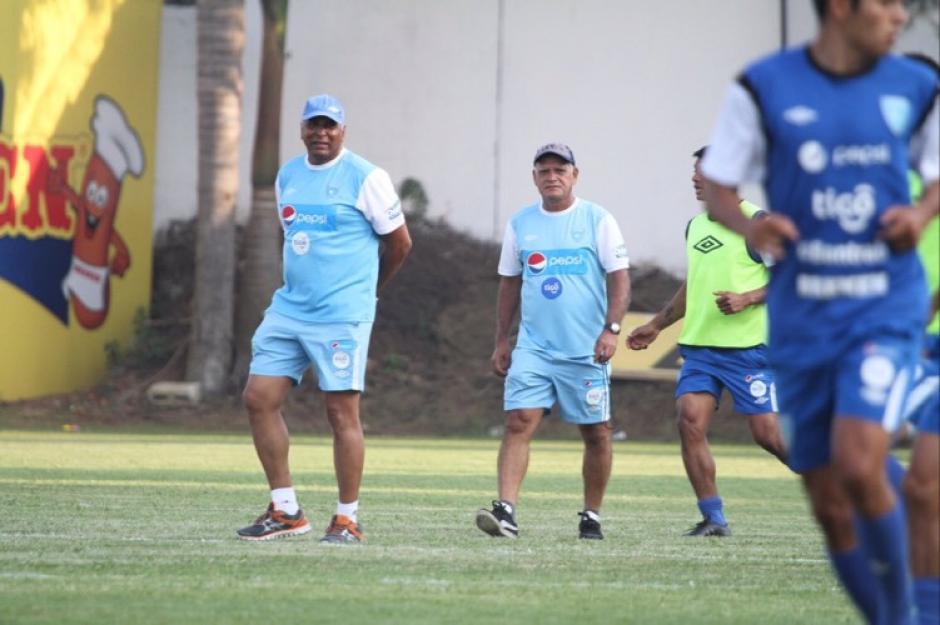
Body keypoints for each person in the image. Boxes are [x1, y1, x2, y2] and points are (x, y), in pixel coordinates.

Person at [700, 0, 938, 622]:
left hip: (883, 307)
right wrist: (751, 228)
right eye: (887, 4)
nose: (899, 17)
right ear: (839, 8)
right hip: (802, 319)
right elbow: (719, 185)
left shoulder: (916, 86)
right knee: (829, 502)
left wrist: (919, 214)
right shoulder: (763, 86)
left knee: (862, 463)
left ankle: (906, 616)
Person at [236, 94, 412, 543]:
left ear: (343, 131)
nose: (321, 133)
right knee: (258, 397)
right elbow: (294, 237)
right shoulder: (288, 176)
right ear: (302, 130)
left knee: (340, 412)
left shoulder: (366, 177)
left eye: (329, 125)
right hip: (290, 308)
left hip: (341, 314)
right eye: (313, 125)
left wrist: (368, 292)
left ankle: (347, 518)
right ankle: (286, 511)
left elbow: (400, 244)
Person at [627, 146, 786, 538]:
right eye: (696, 172)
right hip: (700, 349)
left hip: (749, 350)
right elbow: (694, 283)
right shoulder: (695, 226)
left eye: (705, 172)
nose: (696, 178)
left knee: (768, 436)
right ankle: (713, 518)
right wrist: (657, 324)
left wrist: (748, 298)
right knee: (689, 421)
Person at [475, 143, 631, 540]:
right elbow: (509, 283)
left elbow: (619, 279)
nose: (552, 176)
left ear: (575, 175)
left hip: (586, 349)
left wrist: (611, 330)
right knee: (518, 421)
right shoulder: (521, 223)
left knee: (596, 432)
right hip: (534, 348)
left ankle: (591, 515)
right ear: (534, 178)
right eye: (544, 170)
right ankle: (506, 511)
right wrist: (502, 339)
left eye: (560, 169)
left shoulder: (598, 219)